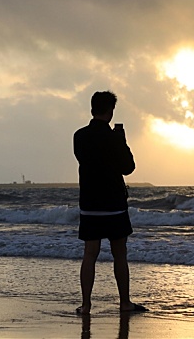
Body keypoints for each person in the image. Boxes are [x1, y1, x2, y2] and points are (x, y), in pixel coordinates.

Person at [73, 90, 147, 315]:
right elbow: (128, 167)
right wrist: (121, 141)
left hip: (89, 203)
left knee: (90, 254)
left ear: (92, 109)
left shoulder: (79, 135)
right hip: (113, 203)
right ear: (110, 111)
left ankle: (86, 305)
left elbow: (83, 159)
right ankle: (125, 302)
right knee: (119, 254)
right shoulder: (113, 138)